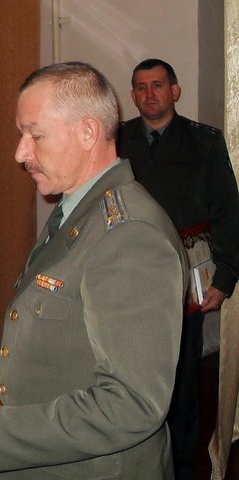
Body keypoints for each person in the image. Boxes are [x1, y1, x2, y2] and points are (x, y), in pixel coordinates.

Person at [0, 62, 188, 479]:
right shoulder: (78, 208)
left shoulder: (129, 235)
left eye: (35, 135)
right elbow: (75, 335)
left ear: (88, 133)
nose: (20, 153)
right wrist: (0, 369)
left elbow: (133, 404)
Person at [117, 58, 239, 480]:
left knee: (182, 382)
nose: (149, 94)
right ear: (132, 95)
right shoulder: (117, 141)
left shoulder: (204, 142)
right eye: (141, 87)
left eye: (157, 85)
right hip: (127, 275)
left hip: (184, 276)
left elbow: (228, 212)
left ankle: (184, 471)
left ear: (175, 91)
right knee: (129, 376)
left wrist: (225, 276)